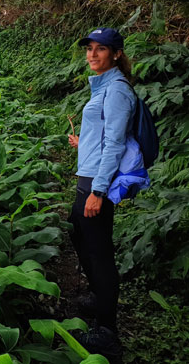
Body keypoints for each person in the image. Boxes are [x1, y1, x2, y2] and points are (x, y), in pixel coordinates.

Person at [67, 27, 136, 361]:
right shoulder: (104, 87)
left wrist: (98, 191)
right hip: (89, 174)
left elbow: (116, 143)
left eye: (100, 49)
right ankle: (98, 295)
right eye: (89, 49)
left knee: (99, 253)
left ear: (116, 54)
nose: (92, 54)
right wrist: (84, 142)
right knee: (79, 233)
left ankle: (107, 332)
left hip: (97, 182)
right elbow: (104, 133)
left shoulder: (118, 90)